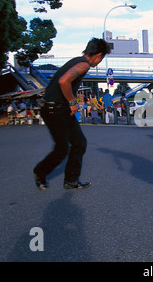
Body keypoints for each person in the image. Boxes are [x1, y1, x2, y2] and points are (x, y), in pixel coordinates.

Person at [33, 38, 110, 190]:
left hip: (60, 109)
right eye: (101, 59)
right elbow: (64, 81)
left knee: (79, 143)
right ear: (99, 55)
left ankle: (71, 180)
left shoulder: (77, 61)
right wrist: (72, 102)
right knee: (62, 148)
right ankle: (40, 171)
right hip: (54, 109)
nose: (99, 62)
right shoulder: (84, 64)